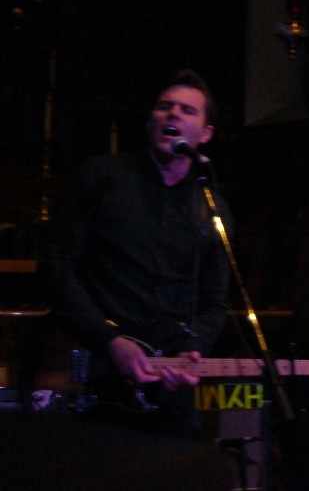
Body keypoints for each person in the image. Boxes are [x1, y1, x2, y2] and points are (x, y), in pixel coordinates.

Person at [49, 69, 231, 438]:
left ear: (206, 134)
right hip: (94, 378)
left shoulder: (212, 208)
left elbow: (215, 301)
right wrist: (109, 340)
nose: (173, 114)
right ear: (151, 121)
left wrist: (192, 349)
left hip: (166, 388)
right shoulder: (102, 176)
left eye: (187, 110)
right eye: (165, 107)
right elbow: (57, 266)